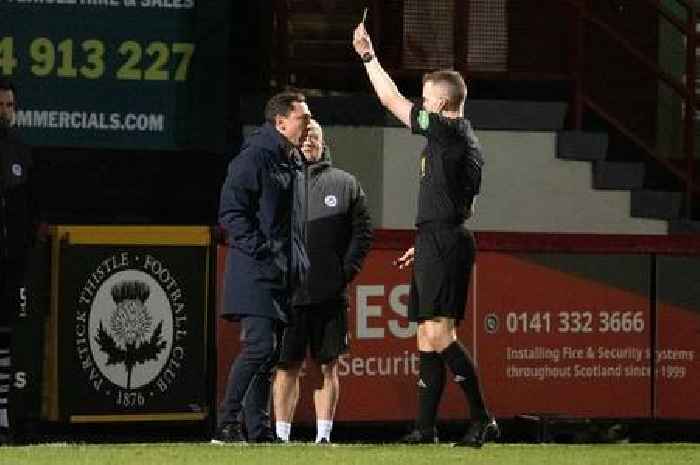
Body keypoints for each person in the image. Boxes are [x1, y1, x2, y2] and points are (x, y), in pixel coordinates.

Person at [352, 24, 498, 447]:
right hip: (440, 236)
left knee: (439, 335)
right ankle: (425, 428)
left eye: (426, 94)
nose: (422, 99)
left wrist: (368, 56)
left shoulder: (447, 131)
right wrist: (430, 237)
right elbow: (457, 199)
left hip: (445, 240)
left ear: (441, 102)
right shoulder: (459, 137)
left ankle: (483, 418)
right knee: (425, 336)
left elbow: (390, 100)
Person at [214, 91, 311, 443]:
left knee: (269, 358)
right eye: (303, 117)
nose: (309, 123)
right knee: (260, 348)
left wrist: (296, 263)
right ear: (280, 122)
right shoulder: (254, 158)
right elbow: (231, 213)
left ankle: (259, 429)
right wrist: (264, 251)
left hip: (284, 274)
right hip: (256, 271)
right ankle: (227, 423)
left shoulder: (293, 158)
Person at [273, 120, 372, 444]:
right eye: (303, 137)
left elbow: (362, 234)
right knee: (286, 367)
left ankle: (324, 437)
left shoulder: (345, 184)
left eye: (314, 136)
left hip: (330, 294)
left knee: (327, 367)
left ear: (322, 141)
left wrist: (344, 272)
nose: (308, 142)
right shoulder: (278, 182)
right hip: (289, 296)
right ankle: (281, 437)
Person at [0, 78, 35, 445]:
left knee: (6, 339)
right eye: (1, 105)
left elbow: (30, 208)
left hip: (11, 263)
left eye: (10, 105)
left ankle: (4, 416)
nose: (6, 112)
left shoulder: (22, 151)